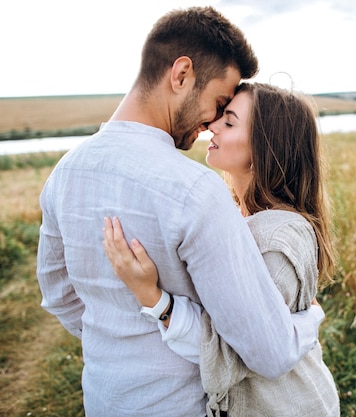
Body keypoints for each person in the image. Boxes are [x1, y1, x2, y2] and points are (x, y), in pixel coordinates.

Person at [36, 7, 325, 417]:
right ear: (181, 74)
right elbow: (271, 352)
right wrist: (309, 322)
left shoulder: (63, 175)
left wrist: (120, 340)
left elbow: (59, 296)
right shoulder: (194, 190)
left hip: (104, 400)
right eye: (218, 102)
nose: (210, 123)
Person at [103, 82, 340, 416]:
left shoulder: (276, 238)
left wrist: (152, 298)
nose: (211, 126)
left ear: (265, 147)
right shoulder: (238, 216)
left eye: (229, 122)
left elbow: (242, 351)